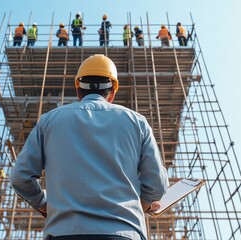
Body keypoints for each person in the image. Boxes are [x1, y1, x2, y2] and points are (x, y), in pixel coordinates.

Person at [10, 54, 169, 240]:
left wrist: (43, 203)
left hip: (63, 234)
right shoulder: (137, 123)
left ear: (78, 90)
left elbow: (20, 178)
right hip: (124, 234)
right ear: (113, 92)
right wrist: (139, 206)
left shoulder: (49, 121)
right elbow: (157, 185)